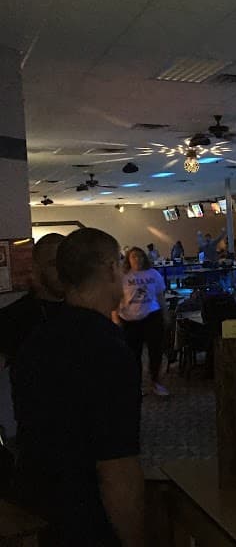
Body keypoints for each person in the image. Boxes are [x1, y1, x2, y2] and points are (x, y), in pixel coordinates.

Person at [12, 228, 144, 546]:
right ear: (111, 268)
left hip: (42, 509)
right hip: (89, 520)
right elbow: (116, 469)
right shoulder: (107, 350)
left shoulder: (36, 341)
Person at [0, 234, 65, 372]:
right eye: (54, 264)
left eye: (66, 263)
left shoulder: (82, 309)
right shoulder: (13, 317)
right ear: (36, 267)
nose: (62, 271)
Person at [116, 247, 169, 396]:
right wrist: (115, 318)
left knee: (155, 352)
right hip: (129, 319)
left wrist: (165, 314)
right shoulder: (123, 277)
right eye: (134, 257)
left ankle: (156, 382)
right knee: (133, 354)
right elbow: (117, 299)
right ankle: (136, 385)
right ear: (128, 259)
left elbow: (160, 297)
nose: (137, 259)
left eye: (140, 257)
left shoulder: (154, 275)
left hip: (152, 315)